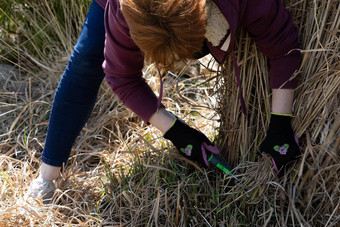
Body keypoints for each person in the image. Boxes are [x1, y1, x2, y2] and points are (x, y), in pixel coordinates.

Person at [26, 0, 301, 204]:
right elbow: (122, 77)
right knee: (86, 62)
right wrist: (177, 132)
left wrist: (281, 124)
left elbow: (282, 44)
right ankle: (47, 175)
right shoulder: (124, 12)